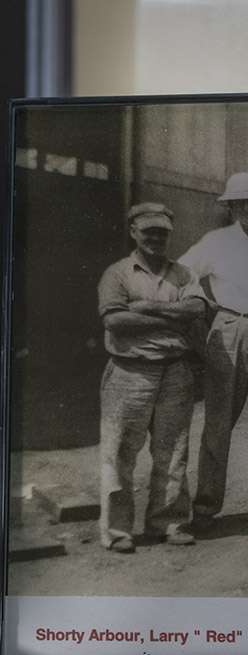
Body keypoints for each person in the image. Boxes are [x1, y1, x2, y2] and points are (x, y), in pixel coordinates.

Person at [97, 202, 207, 553]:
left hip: (175, 370)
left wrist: (146, 308)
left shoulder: (184, 274)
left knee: (173, 452)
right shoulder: (117, 273)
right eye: (149, 232)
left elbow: (197, 308)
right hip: (130, 371)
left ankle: (169, 523)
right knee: (119, 453)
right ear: (134, 232)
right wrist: (172, 319)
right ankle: (118, 531)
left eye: (162, 232)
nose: (157, 238)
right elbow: (115, 320)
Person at [180, 172, 248, 526]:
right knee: (219, 423)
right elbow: (180, 273)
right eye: (245, 202)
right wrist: (201, 303)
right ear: (234, 206)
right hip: (230, 328)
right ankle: (206, 508)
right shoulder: (216, 242)